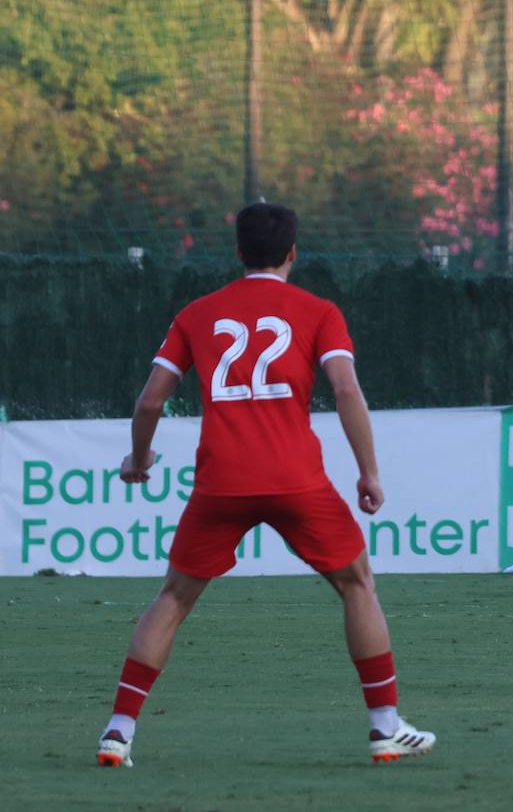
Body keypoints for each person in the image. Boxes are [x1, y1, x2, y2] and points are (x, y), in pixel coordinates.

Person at [96, 203, 434, 768]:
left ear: (237, 252)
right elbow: (346, 392)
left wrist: (137, 460)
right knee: (357, 584)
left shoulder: (197, 314)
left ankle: (118, 732)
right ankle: (384, 728)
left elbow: (151, 399)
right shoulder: (318, 311)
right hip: (295, 477)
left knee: (174, 597)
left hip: (221, 479)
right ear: (293, 253)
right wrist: (369, 470)